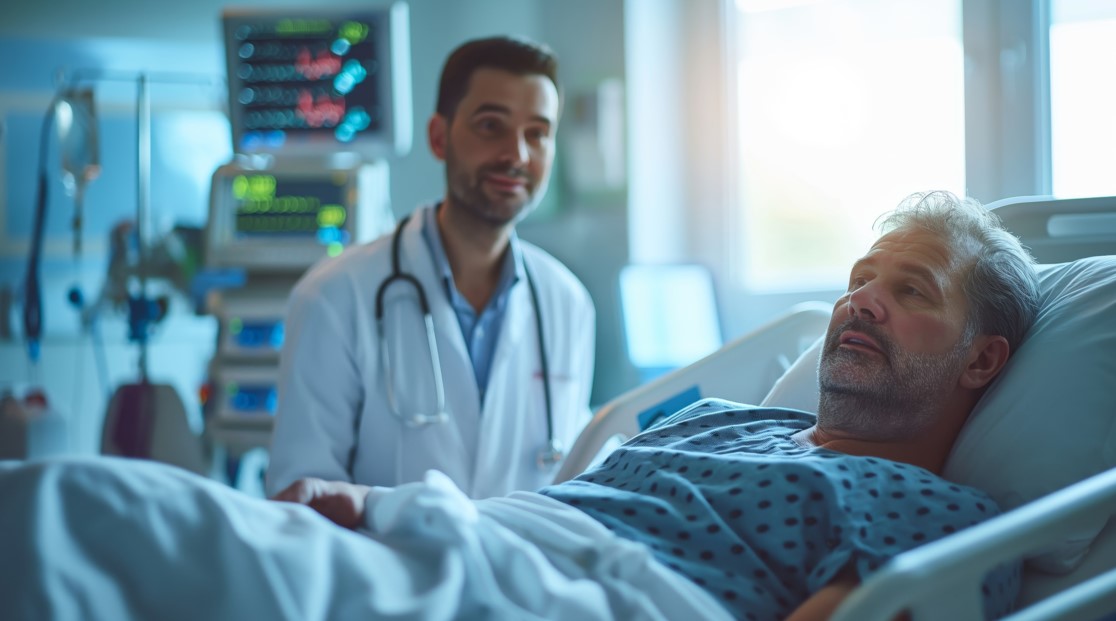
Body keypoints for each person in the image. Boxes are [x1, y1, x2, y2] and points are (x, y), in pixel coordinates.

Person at [0, 191, 1039, 620]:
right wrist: (379, 502)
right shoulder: (740, 419)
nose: (863, 299)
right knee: (84, 512)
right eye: (863, 276)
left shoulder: (933, 517)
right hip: (467, 544)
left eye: (911, 292)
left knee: (73, 519)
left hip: (552, 597)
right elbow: (566, 500)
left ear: (984, 360)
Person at [265, 36, 596, 499]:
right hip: (384, 570)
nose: (517, 155)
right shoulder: (335, 296)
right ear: (439, 137)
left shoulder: (567, 303)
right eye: (490, 125)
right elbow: (300, 498)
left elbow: (572, 480)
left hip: (519, 569)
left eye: (537, 133)